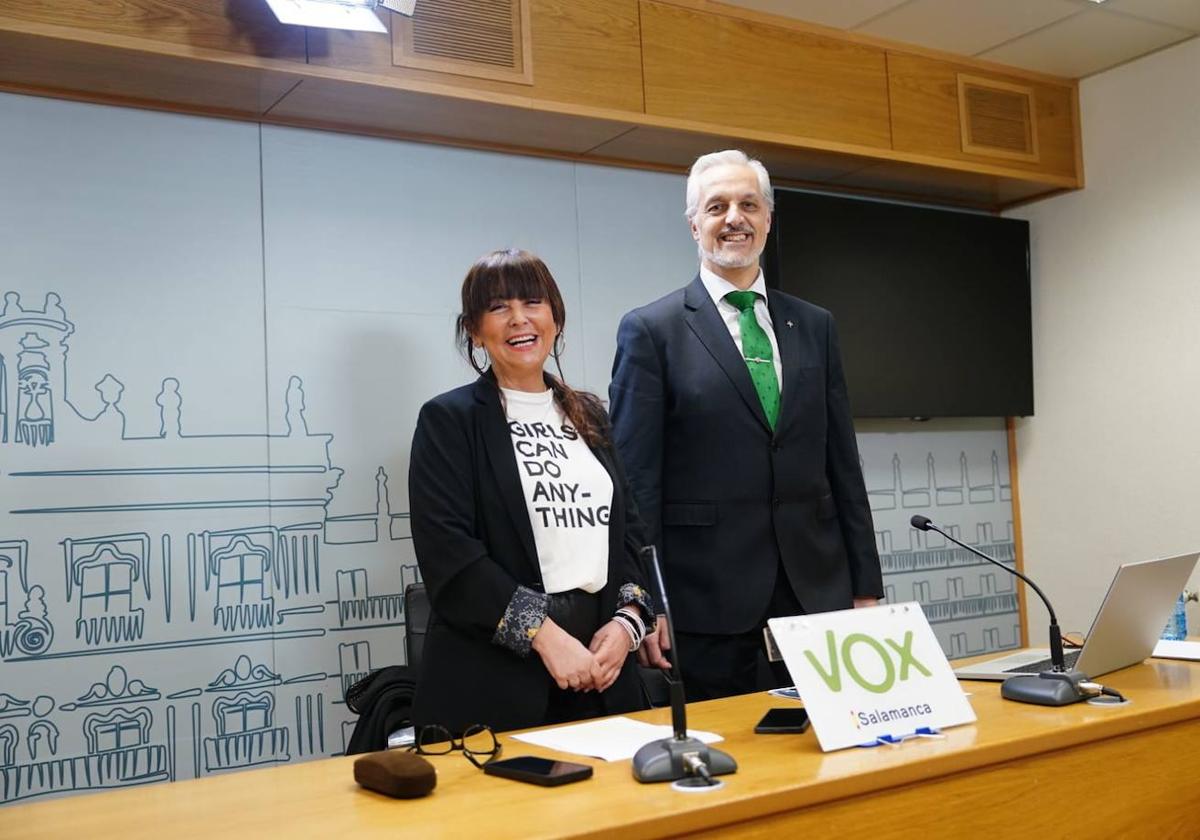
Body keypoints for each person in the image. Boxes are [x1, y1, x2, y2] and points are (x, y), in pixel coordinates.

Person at [609, 150, 884, 701]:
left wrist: (865, 587)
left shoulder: (815, 325)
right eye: (717, 206)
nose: (734, 217)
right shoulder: (651, 331)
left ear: (768, 219)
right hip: (705, 602)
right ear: (694, 225)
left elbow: (842, 465)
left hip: (816, 593)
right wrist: (647, 600)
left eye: (748, 204)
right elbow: (637, 485)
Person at [408, 248, 655, 734]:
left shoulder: (589, 415)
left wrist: (628, 625)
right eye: (498, 307)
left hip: (601, 677)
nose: (519, 318)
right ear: (475, 331)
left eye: (533, 302)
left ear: (556, 318)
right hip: (496, 685)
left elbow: (628, 535)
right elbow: (450, 557)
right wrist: (544, 636)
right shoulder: (449, 421)